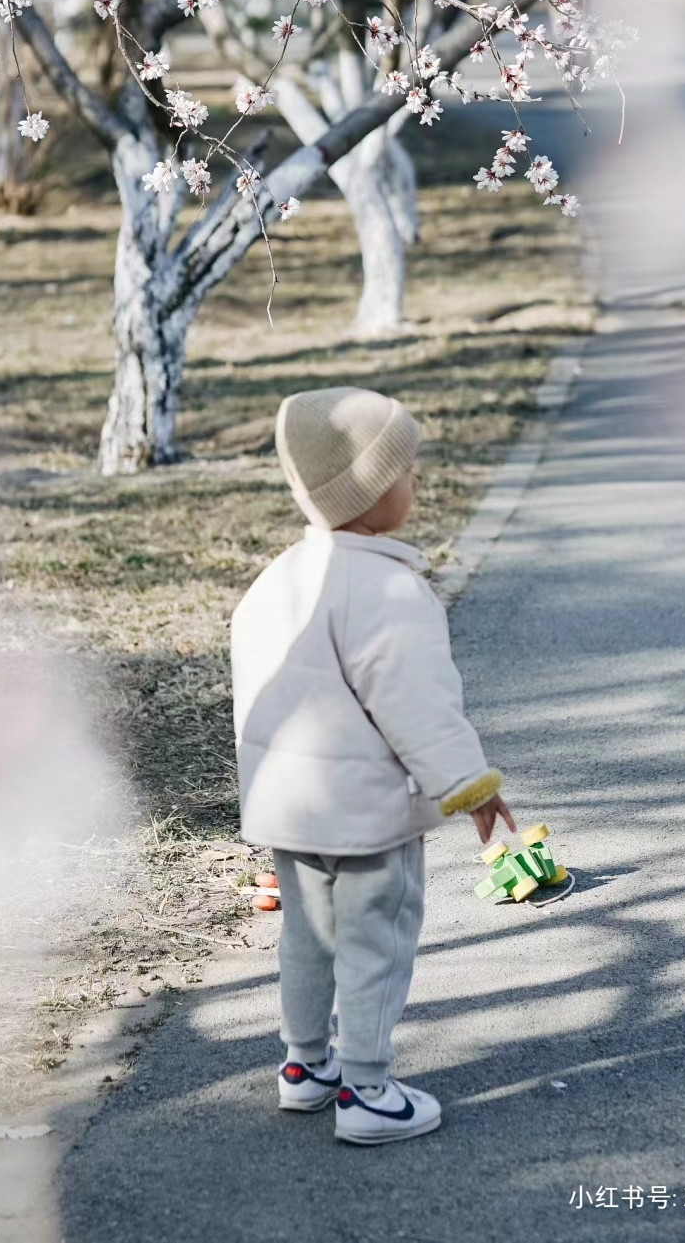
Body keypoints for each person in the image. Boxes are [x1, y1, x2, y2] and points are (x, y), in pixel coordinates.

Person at [230, 386, 515, 1145]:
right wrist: (471, 789)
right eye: (408, 472)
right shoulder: (389, 590)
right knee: (375, 937)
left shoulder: (274, 581)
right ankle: (367, 1088)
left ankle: (305, 1067)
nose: (416, 484)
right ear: (372, 490)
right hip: (364, 811)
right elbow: (419, 706)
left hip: (289, 811)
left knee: (307, 937)